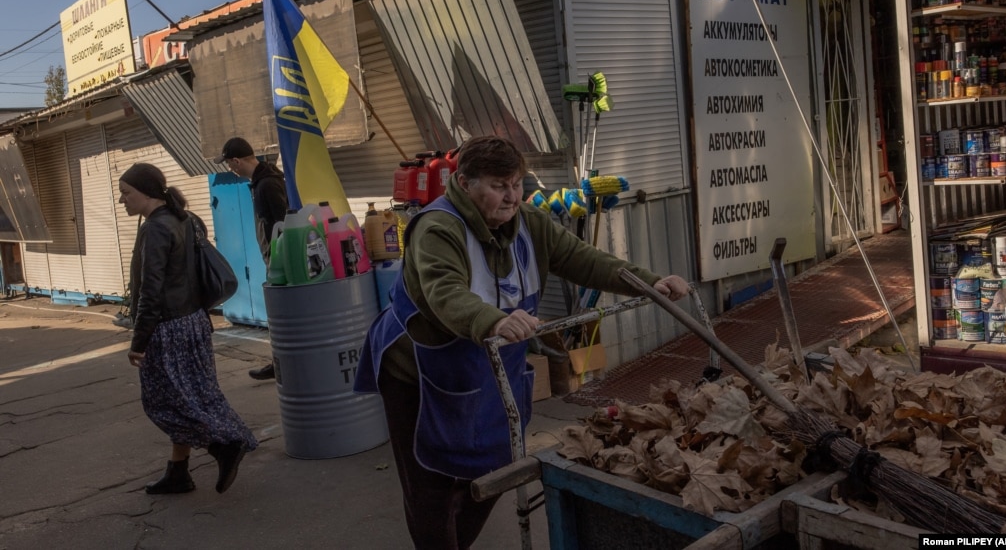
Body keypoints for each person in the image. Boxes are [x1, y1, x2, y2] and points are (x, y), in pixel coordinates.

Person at [354, 136, 691, 549]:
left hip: (487, 364)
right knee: (434, 484)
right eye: (498, 186)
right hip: (419, 370)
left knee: (496, 467)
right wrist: (493, 320)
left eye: (515, 183)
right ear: (464, 182)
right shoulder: (438, 228)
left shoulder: (529, 222)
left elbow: (584, 259)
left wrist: (648, 283)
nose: (512, 195)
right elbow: (445, 293)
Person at [119, 162, 257, 495]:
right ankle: (178, 472)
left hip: (167, 328)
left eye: (126, 193)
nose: (122, 200)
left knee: (164, 403)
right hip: (194, 322)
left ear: (147, 192)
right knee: (197, 395)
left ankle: (222, 445)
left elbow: (151, 290)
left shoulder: (154, 228)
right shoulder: (186, 219)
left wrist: (139, 341)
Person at [215, 137, 289, 381]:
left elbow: (282, 223)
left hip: (280, 261)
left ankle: (283, 364)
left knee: (281, 318)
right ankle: (281, 362)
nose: (229, 169)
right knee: (279, 317)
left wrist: (279, 258)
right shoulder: (262, 182)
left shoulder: (267, 184)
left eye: (229, 164)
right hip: (274, 259)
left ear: (236, 161)